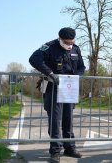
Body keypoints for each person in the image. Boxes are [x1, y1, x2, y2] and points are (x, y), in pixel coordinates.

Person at [29, 27, 86, 162]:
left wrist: (77, 77)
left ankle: (70, 148)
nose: (69, 45)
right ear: (60, 39)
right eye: (66, 42)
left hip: (69, 88)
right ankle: (55, 151)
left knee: (68, 119)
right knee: (55, 120)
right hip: (53, 88)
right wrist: (50, 73)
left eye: (72, 42)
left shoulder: (76, 49)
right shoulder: (49, 47)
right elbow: (33, 59)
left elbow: (81, 67)